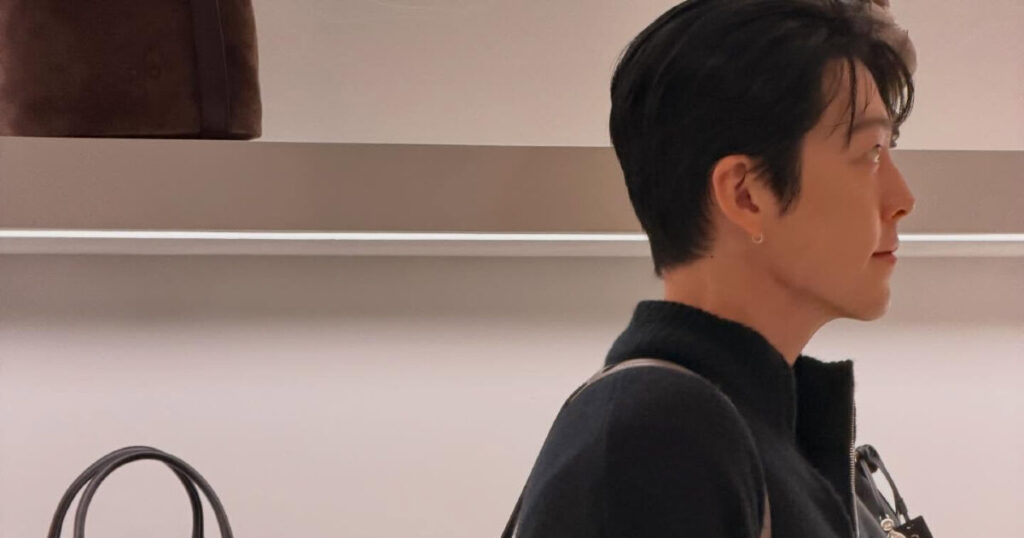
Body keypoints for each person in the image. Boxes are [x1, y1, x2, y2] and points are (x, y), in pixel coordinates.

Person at [508, 0, 917, 536]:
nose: (903, 199)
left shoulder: (747, 435)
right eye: (871, 152)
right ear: (746, 195)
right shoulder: (654, 443)